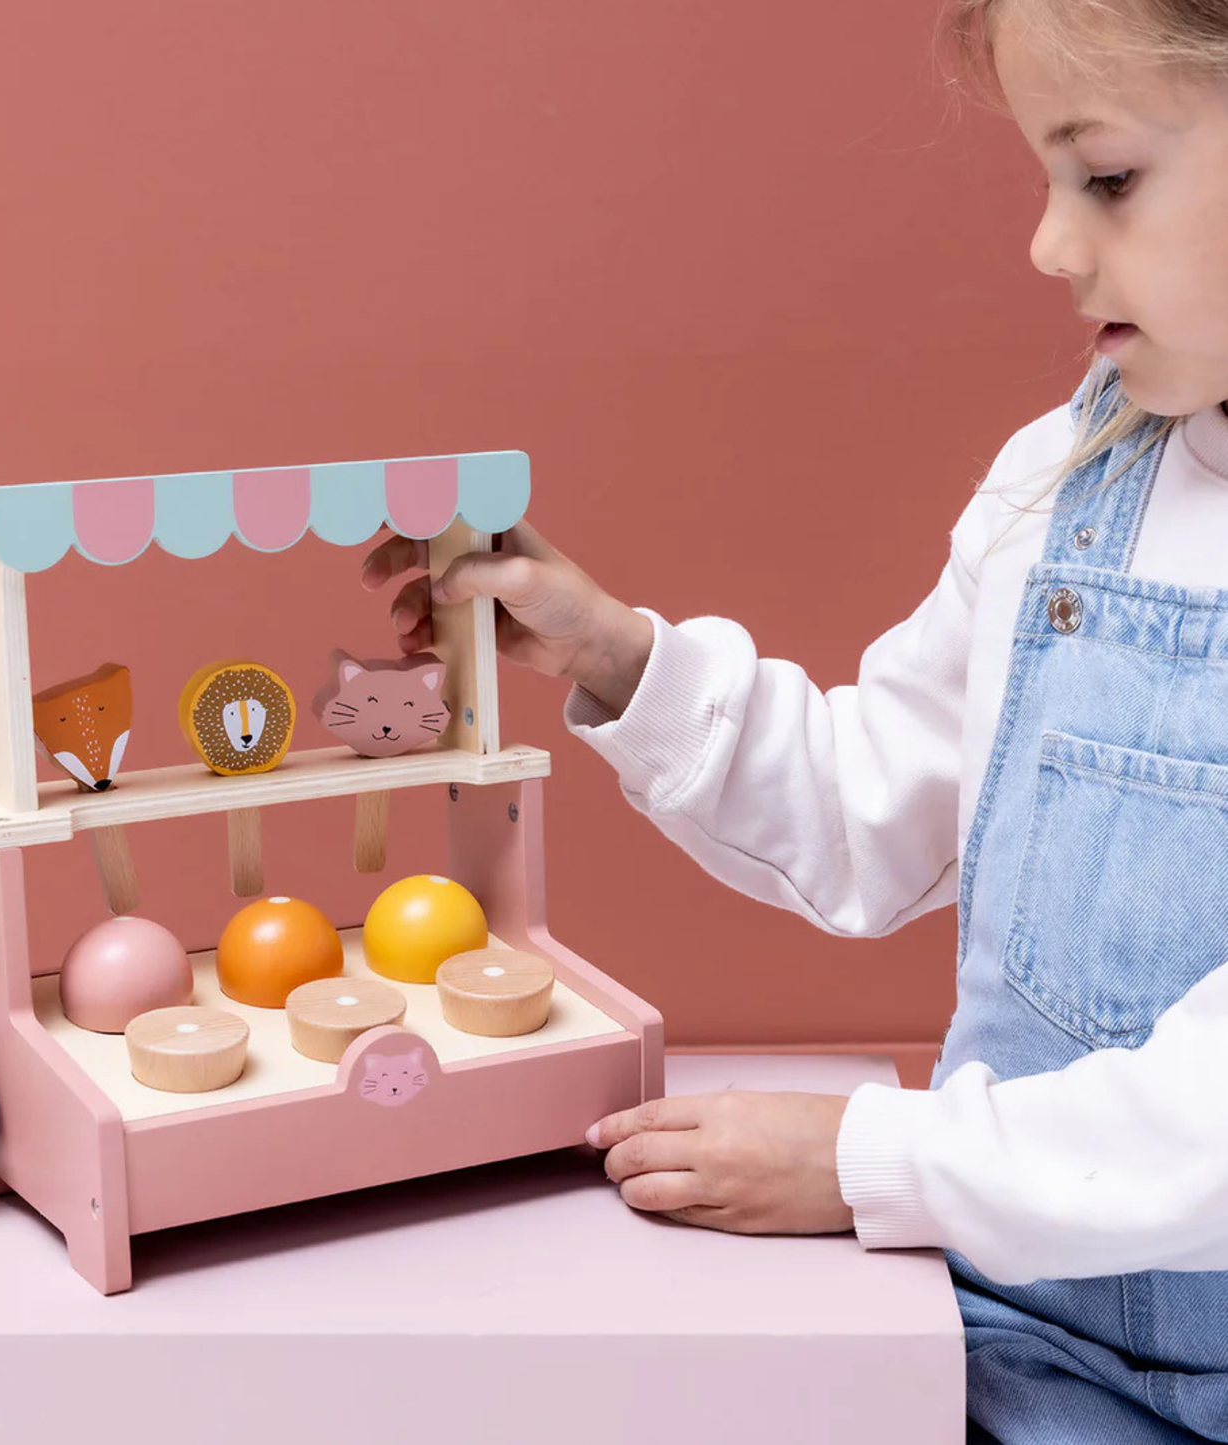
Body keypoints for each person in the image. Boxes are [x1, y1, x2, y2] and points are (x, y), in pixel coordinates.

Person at [363, 1, 1228, 1438]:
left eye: (1110, 177)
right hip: (1028, 1345)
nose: (1050, 245)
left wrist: (866, 1160)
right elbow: (874, 808)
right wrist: (618, 656)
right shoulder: (1066, 480)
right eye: (1049, 179)